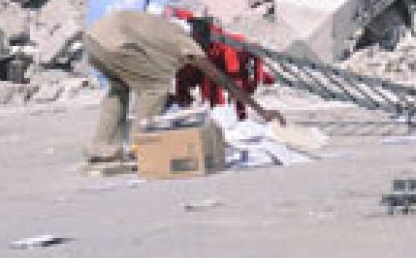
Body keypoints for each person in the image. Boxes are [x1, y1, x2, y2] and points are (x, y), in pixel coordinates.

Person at [83, 9, 284, 162]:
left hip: (94, 38)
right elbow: (220, 78)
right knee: (154, 88)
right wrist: (262, 110)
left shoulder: (168, 27)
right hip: (115, 43)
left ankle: (103, 148)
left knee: (119, 89)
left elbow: (145, 66)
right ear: (199, 39)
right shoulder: (185, 40)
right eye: (204, 47)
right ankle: (142, 149)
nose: (202, 52)